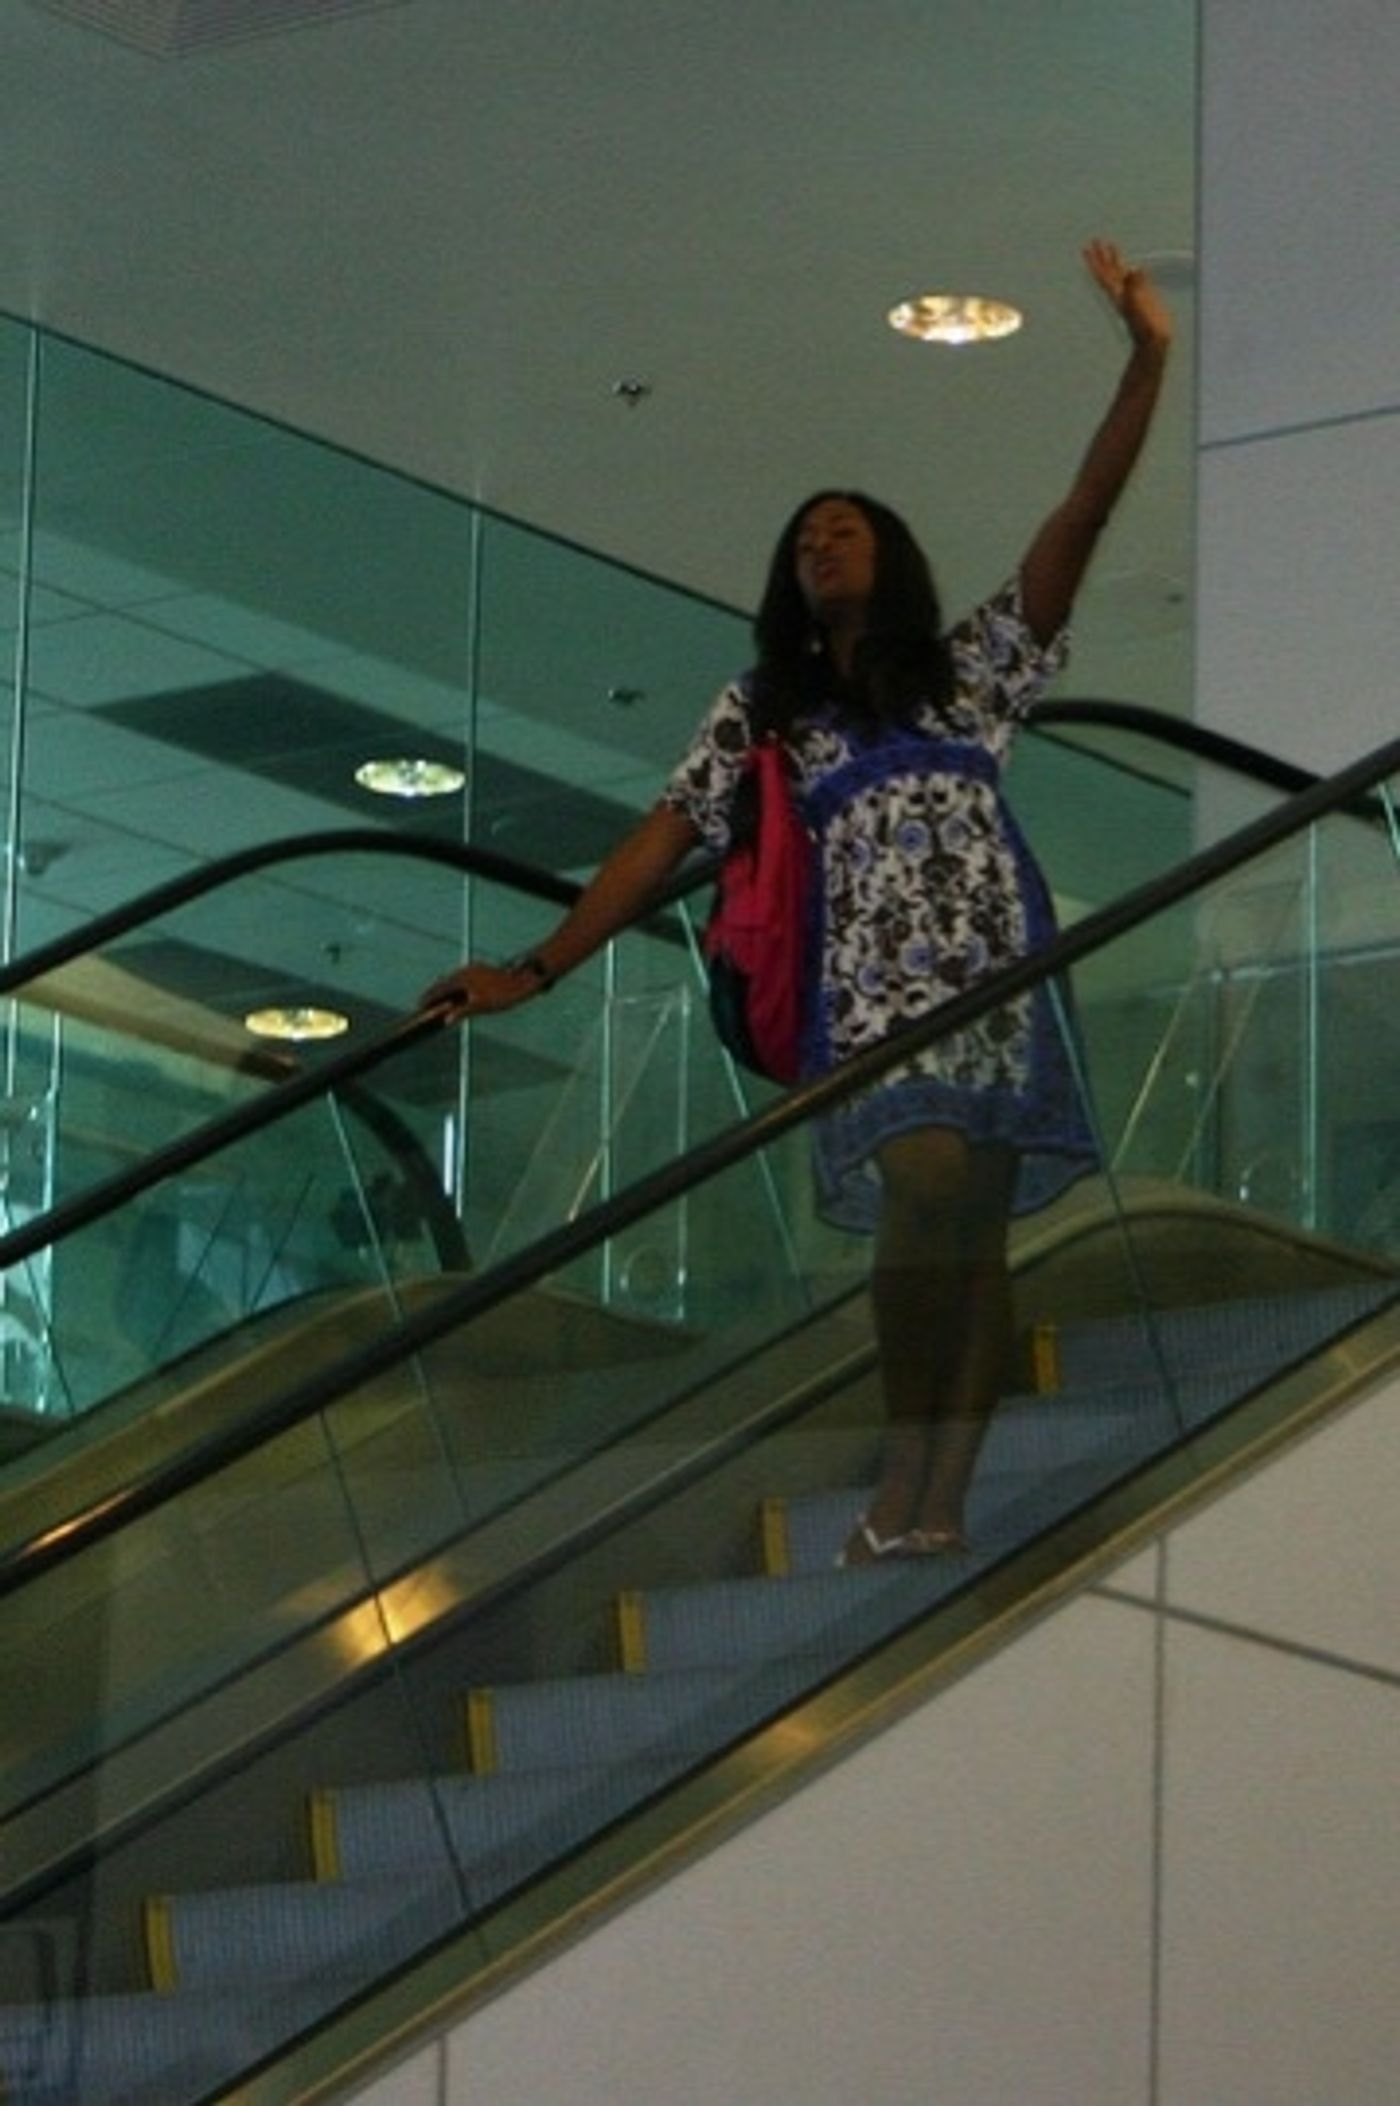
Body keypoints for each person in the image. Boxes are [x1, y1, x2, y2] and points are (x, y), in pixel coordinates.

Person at [423, 238, 1173, 1565]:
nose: (826, 543)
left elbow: (1079, 520)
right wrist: (535, 968)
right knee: (925, 1183)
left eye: (849, 527)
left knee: (978, 1232)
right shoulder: (767, 711)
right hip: (872, 987)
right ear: (791, 581)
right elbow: (660, 843)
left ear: (890, 557)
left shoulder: (969, 672)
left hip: (993, 975)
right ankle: (903, 1469)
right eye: (807, 538)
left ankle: (944, 1492)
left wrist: (1148, 358)